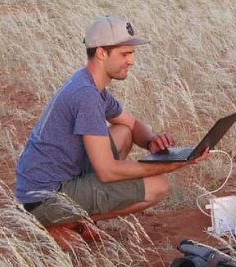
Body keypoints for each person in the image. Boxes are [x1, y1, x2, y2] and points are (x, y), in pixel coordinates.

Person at [14, 16, 208, 244]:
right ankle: (63, 222)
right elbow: (107, 171)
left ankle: (76, 215)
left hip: (50, 183)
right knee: (159, 186)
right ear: (101, 53)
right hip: (45, 199)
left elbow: (133, 125)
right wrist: (171, 165)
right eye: (125, 54)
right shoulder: (85, 95)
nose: (132, 61)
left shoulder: (89, 85)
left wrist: (150, 142)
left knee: (123, 131)